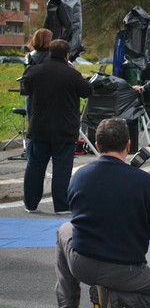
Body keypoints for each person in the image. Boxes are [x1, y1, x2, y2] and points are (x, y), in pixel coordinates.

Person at [54, 117, 150, 308]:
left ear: (97, 144)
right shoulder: (144, 182)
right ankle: (116, 299)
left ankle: (68, 304)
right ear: (128, 145)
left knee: (64, 229)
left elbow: (79, 217)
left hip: (82, 264)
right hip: (125, 270)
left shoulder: (79, 176)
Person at [22, 39, 93, 214]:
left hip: (39, 128)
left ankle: (30, 203)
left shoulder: (35, 71)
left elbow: (26, 89)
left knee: (35, 165)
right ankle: (61, 205)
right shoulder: (72, 74)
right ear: (67, 54)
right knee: (62, 168)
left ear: (50, 53)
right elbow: (87, 91)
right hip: (64, 129)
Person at [22, 28, 53, 118]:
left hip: (32, 96)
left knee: (33, 126)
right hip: (50, 97)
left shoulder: (28, 56)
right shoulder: (54, 56)